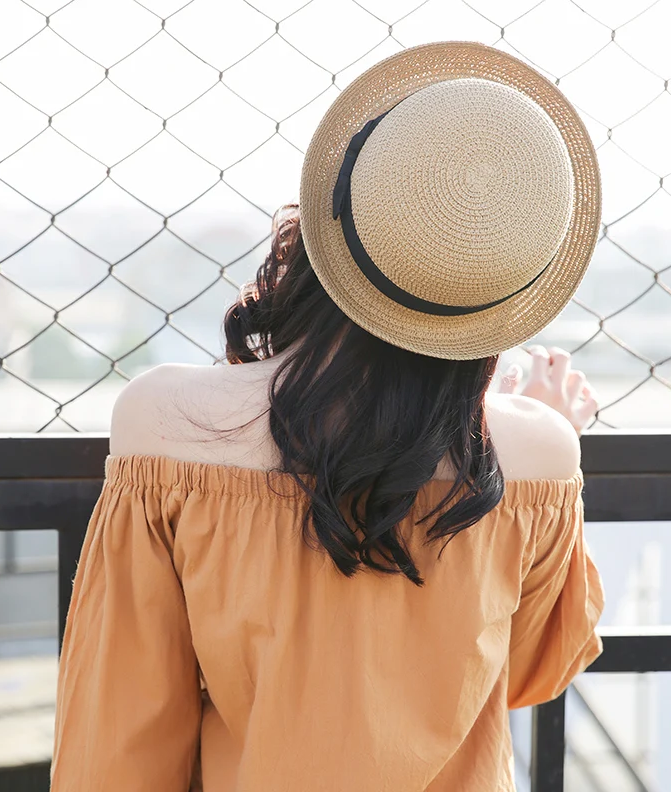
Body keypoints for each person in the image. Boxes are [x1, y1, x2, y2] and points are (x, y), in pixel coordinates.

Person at [51, 41, 604, 792]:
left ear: (325, 224)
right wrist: (538, 431)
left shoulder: (162, 424)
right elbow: (533, 670)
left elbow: (121, 734)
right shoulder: (534, 453)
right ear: (503, 298)